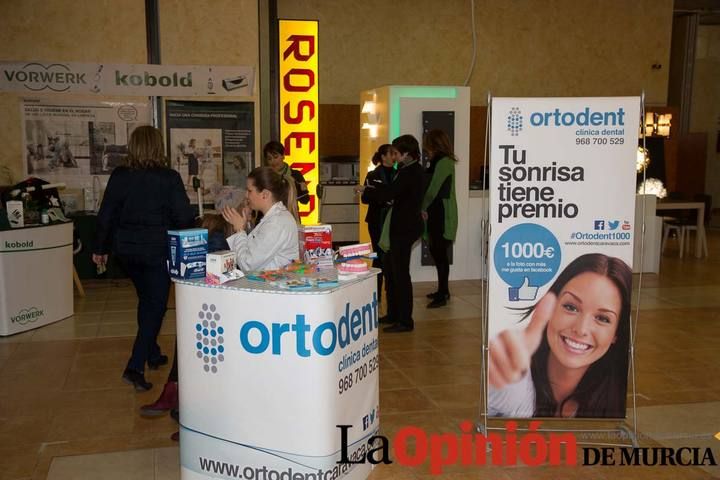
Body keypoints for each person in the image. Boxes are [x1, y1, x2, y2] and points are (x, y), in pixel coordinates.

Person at [93, 126, 195, 392]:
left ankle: (151, 352)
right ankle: (135, 366)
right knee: (155, 306)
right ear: (158, 147)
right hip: (158, 252)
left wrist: (100, 248)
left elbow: (107, 214)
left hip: (126, 252)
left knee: (146, 300)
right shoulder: (168, 178)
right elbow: (183, 216)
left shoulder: (120, 175)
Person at [488, 253, 632, 418]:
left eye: (602, 318)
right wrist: (502, 370)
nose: (581, 329)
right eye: (571, 307)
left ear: (616, 334)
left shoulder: (616, 398)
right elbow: (503, 392)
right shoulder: (517, 386)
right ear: (551, 308)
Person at [140, 213, 233, 435]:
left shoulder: (211, 243)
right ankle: (180, 405)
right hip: (217, 316)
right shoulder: (223, 244)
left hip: (211, 318)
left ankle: (175, 395)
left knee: (189, 348)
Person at [356, 134, 424, 333]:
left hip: (404, 228)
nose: (394, 157)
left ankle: (405, 320)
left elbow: (389, 194)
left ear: (407, 153)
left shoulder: (410, 172)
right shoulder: (409, 170)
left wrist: (366, 191)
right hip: (402, 226)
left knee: (400, 274)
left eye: (396, 153)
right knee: (393, 272)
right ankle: (394, 314)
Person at [222, 166, 299, 272]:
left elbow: (248, 264)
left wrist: (239, 230)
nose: (246, 195)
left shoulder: (277, 223)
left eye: (250, 191)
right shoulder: (271, 219)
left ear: (265, 194)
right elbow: (251, 251)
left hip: (273, 286)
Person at [421, 130, 458, 308]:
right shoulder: (439, 161)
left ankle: (443, 294)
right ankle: (443, 290)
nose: (426, 149)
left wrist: (422, 207)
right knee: (438, 253)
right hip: (437, 212)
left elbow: (434, 188)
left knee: (440, 254)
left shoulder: (443, 162)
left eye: (427, 144)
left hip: (442, 214)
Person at [361, 144, 397, 304]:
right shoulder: (373, 174)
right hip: (376, 220)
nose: (394, 157)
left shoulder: (399, 174)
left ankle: (390, 290)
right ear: (383, 157)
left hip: (392, 219)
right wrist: (382, 197)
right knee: (379, 255)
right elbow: (365, 198)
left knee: (391, 256)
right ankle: (377, 291)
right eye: (391, 154)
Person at [263, 141, 310, 210]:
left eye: (276, 157)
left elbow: (305, 201)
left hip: (291, 216)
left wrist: (303, 190)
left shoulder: (295, 175)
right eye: (269, 159)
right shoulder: (265, 177)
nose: (273, 162)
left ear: (283, 156)